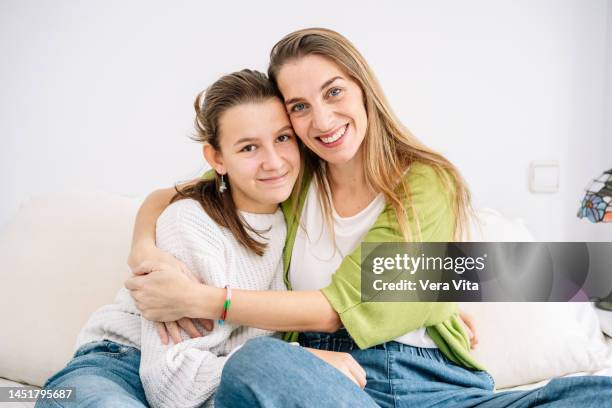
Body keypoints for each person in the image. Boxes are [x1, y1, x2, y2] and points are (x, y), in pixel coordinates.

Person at [125, 28, 612, 407]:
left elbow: (348, 304)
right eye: (300, 107)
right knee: (256, 365)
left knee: (597, 394)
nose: (321, 120)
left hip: (433, 386)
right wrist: (144, 246)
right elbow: (175, 193)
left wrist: (203, 300)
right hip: (325, 379)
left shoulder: (425, 181)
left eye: (333, 92)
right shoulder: (291, 177)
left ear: (363, 90)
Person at [36, 69, 301, 408]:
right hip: (117, 366)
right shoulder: (191, 220)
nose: (274, 161)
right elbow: (171, 385)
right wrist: (292, 363)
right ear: (217, 159)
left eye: (282, 138)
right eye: (249, 147)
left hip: (214, 383)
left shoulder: (292, 219)